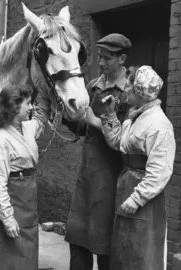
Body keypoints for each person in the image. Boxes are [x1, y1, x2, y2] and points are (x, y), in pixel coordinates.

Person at [62, 33, 132, 270]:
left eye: (107, 58)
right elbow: (81, 127)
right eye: (100, 57)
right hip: (86, 173)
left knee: (104, 239)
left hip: (111, 173)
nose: (101, 63)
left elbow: (128, 138)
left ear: (122, 59)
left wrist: (95, 122)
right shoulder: (94, 86)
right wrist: (68, 115)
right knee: (78, 234)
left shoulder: (130, 93)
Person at [95, 65, 174, 269]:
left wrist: (137, 198)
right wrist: (111, 114)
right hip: (126, 186)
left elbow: (159, 171)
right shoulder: (135, 116)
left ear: (140, 91)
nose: (126, 89)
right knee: (124, 250)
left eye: (129, 85)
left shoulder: (159, 125)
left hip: (143, 196)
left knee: (142, 252)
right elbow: (118, 143)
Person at [0, 84, 49, 270]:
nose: (31, 107)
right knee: (2, 262)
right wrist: (7, 219)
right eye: (28, 103)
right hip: (8, 205)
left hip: (27, 205)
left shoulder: (27, 127)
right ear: (15, 107)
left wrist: (47, 93)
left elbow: (41, 119)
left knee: (25, 259)